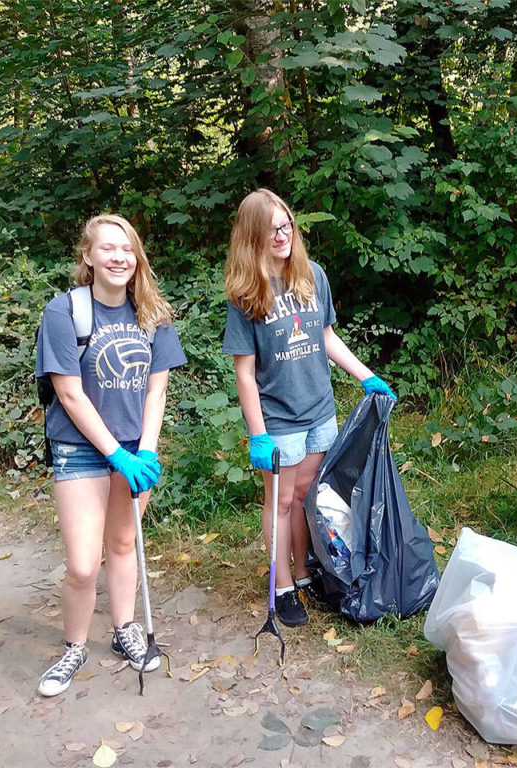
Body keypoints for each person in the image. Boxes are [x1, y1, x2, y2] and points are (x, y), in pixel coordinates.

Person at [222, 188, 395, 628]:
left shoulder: (311, 274)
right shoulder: (246, 292)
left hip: (320, 410)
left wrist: (366, 375)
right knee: (279, 502)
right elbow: (245, 373)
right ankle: (281, 588)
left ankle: (304, 574)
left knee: (306, 495)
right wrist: (257, 432)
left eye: (286, 225)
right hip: (278, 418)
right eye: (270, 229)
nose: (281, 235)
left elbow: (326, 336)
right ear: (251, 236)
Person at [34, 214, 187, 697]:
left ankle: (125, 630)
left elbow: (157, 391)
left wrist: (145, 450)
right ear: (88, 257)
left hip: (133, 452)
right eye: (107, 249)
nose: (119, 257)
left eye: (127, 249)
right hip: (80, 451)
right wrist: (116, 454)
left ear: (136, 256)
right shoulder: (64, 312)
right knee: (83, 563)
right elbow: (70, 394)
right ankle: (74, 647)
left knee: (124, 546)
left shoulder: (153, 315)